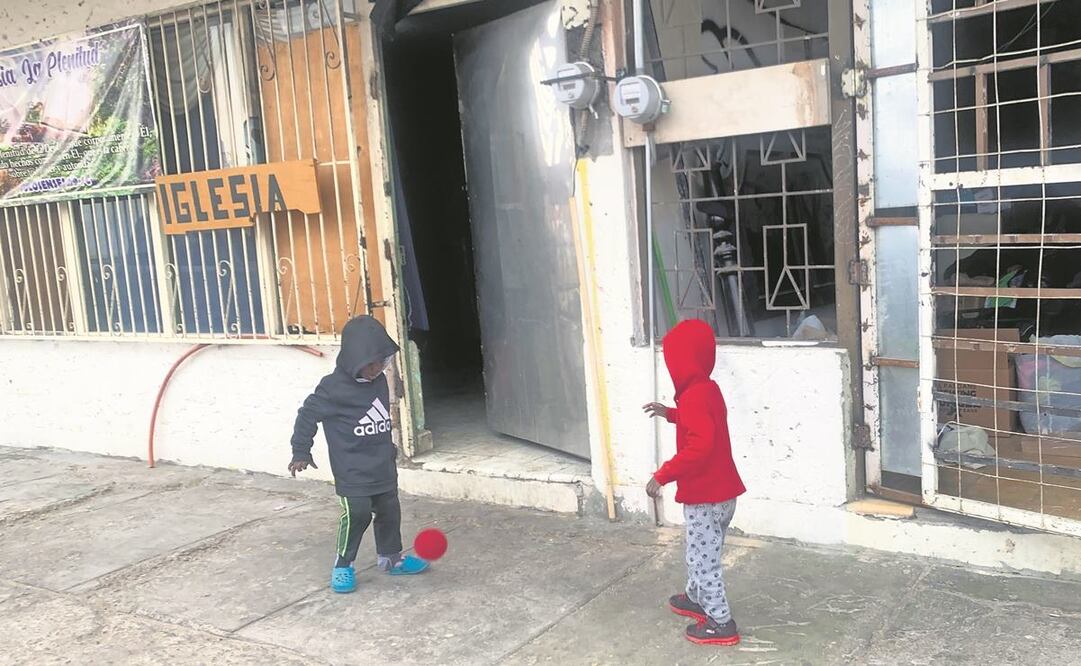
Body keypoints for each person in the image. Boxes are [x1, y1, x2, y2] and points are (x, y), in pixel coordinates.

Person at [289, 315, 428, 594]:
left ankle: (391, 559)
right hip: (352, 471)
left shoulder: (378, 381)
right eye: (370, 363)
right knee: (358, 514)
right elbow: (307, 415)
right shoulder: (332, 388)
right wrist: (301, 450)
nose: (377, 369)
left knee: (389, 511)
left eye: (381, 362)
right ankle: (343, 564)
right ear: (353, 358)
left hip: (382, 467)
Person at [643, 318, 746, 646]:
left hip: (706, 497)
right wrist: (670, 413)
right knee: (699, 551)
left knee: (705, 561)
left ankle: (720, 621)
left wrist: (662, 475)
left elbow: (700, 446)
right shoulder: (706, 390)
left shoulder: (694, 396)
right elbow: (701, 421)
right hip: (722, 494)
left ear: (684, 362)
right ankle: (695, 598)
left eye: (673, 360)